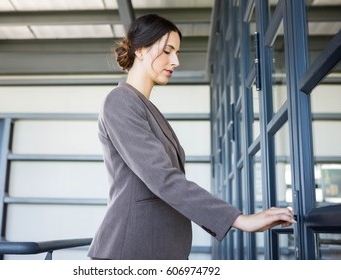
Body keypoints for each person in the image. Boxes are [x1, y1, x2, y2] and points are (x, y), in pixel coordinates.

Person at [87, 14, 295, 260]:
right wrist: (240, 220)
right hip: (131, 250)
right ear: (140, 50)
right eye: (167, 51)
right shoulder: (120, 101)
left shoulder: (144, 107)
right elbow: (163, 178)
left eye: (177, 53)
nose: (175, 61)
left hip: (156, 249)